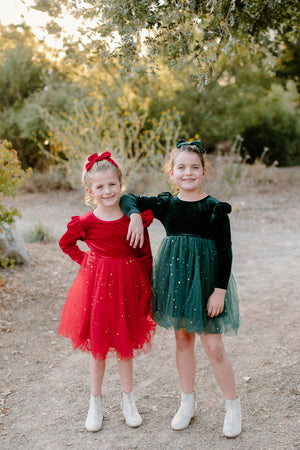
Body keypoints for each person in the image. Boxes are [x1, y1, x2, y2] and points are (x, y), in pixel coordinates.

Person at [120, 139, 242, 438]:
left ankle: (233, 406)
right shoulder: (166, 204)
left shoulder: (214, 209)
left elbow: (225, 251)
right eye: (181, 167)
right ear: (171, 173)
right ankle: (187, 402)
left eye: (194, 167)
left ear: (203, 172)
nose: (188, 173)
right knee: (183, 339)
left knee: (213, 347)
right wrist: (135, 215)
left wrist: (219, 290)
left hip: (208, 282)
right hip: (176, 280)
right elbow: (127, 199)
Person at [58, 151, 156, 432]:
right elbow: (66, 244)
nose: (107, 191)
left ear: (120, 184)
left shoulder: (133, 219)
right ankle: (95, 403)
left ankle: (128, 400)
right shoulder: (86, 222)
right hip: (98, 289)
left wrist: (146, 288)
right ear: (90, 191)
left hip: (129, 287)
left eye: (112, 184)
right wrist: (88, 262)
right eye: (99, 187)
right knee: (98, 349)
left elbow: (145, 254)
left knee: (125, 347)